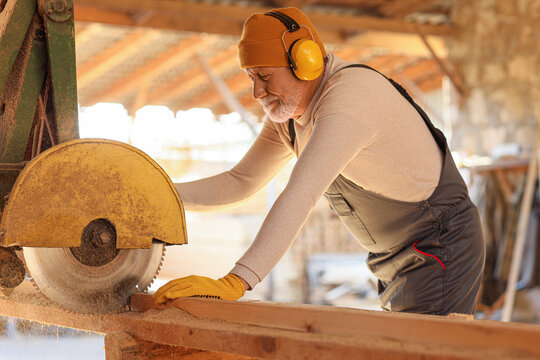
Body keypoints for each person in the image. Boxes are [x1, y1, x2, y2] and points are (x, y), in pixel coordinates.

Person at [153, 7, 486, 314]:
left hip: (440, 247)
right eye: (251, 78)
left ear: (306, 61)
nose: (257, 93)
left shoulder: (350, 99)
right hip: (392, 257)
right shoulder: (290, 116)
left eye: (265, 77)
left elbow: (300, 195)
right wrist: (157, 196)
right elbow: (241, 181)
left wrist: (237, 281)